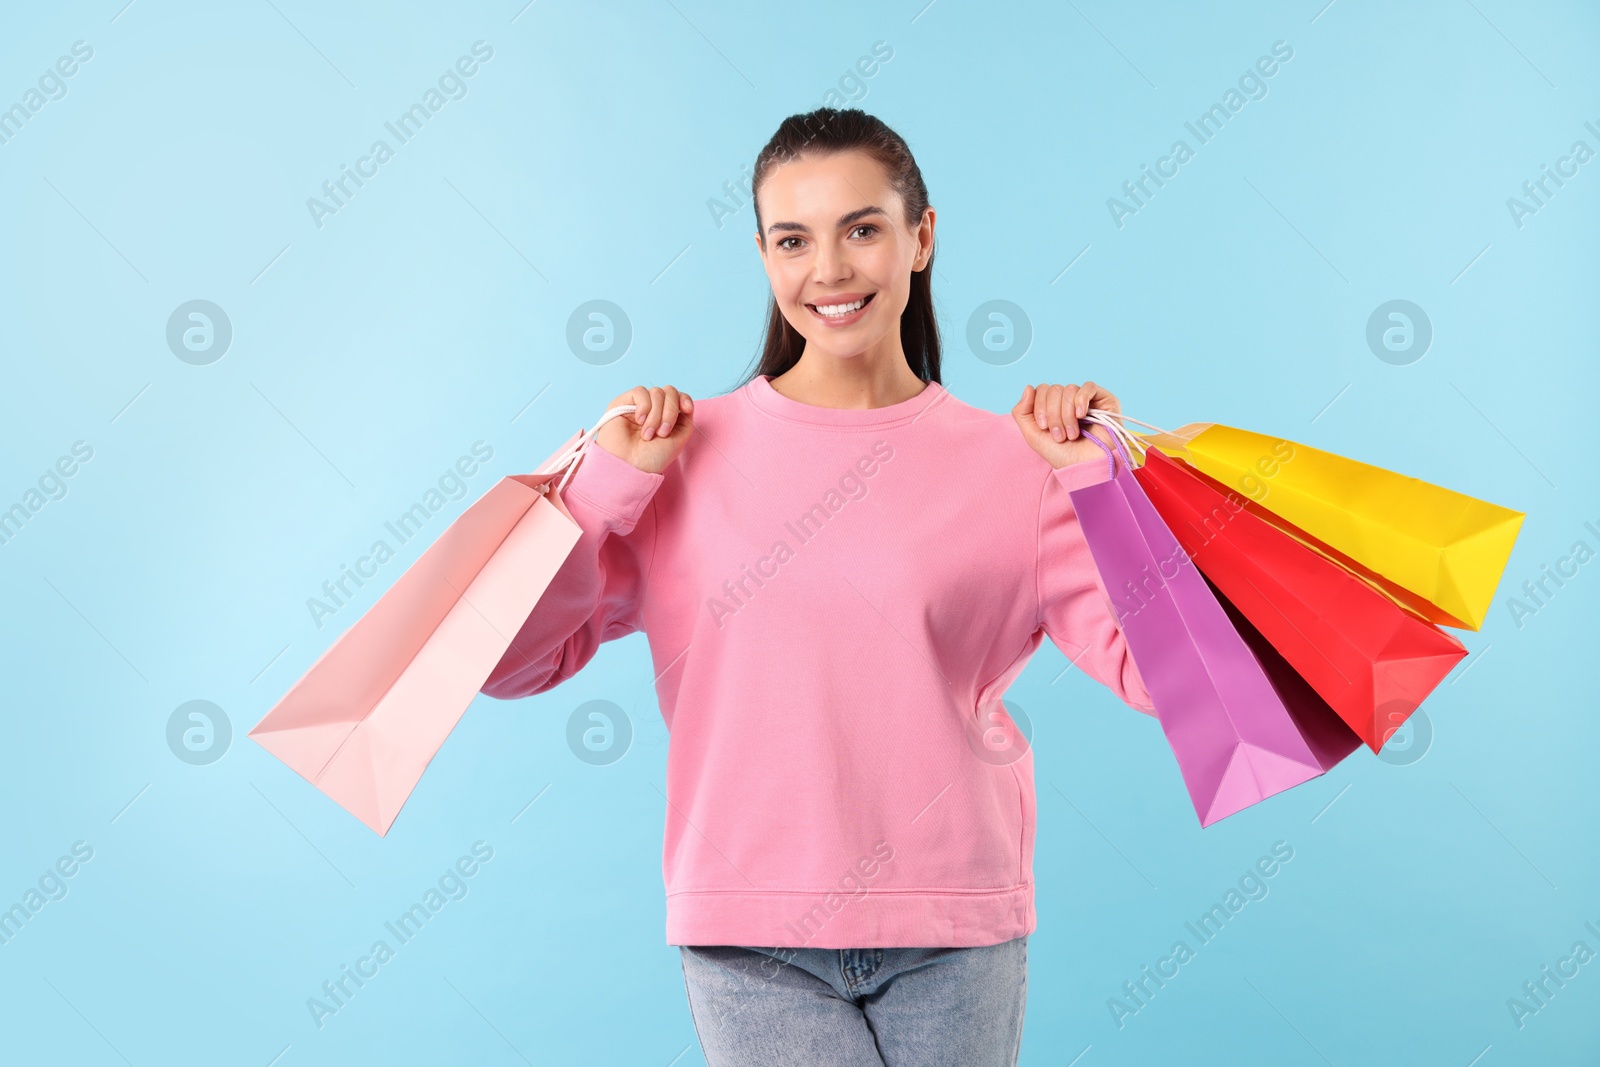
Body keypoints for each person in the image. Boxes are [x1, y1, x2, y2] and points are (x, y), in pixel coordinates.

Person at [481, 107, 1155, 1067]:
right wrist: (600, 490)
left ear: (921, 237)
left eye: (863, 229)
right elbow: (506, 661)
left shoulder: (1017, 464)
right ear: (763, 254)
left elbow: (1172, 676)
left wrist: (1099, 481)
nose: (829, 270)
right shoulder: (670, 459)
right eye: (794, 239)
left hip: (953, 928)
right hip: (747, 935)